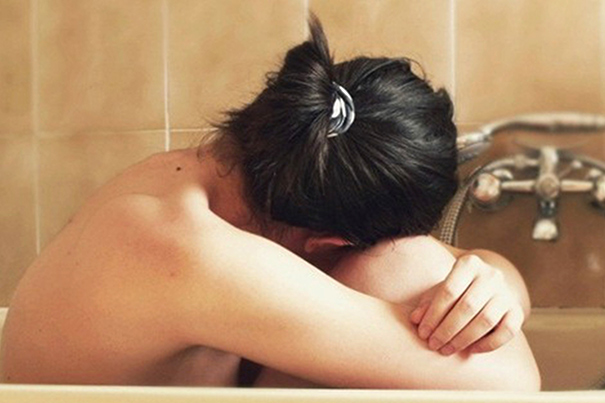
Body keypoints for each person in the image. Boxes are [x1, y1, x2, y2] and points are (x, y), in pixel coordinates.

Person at [0, 16, 540, 390]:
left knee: (413, 267)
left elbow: (482, 279)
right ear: (329, 243)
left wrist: (491, 283)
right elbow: (511, 382)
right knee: (402, 267)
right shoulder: (190, 251)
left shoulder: (190, 182)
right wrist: (465, 290)